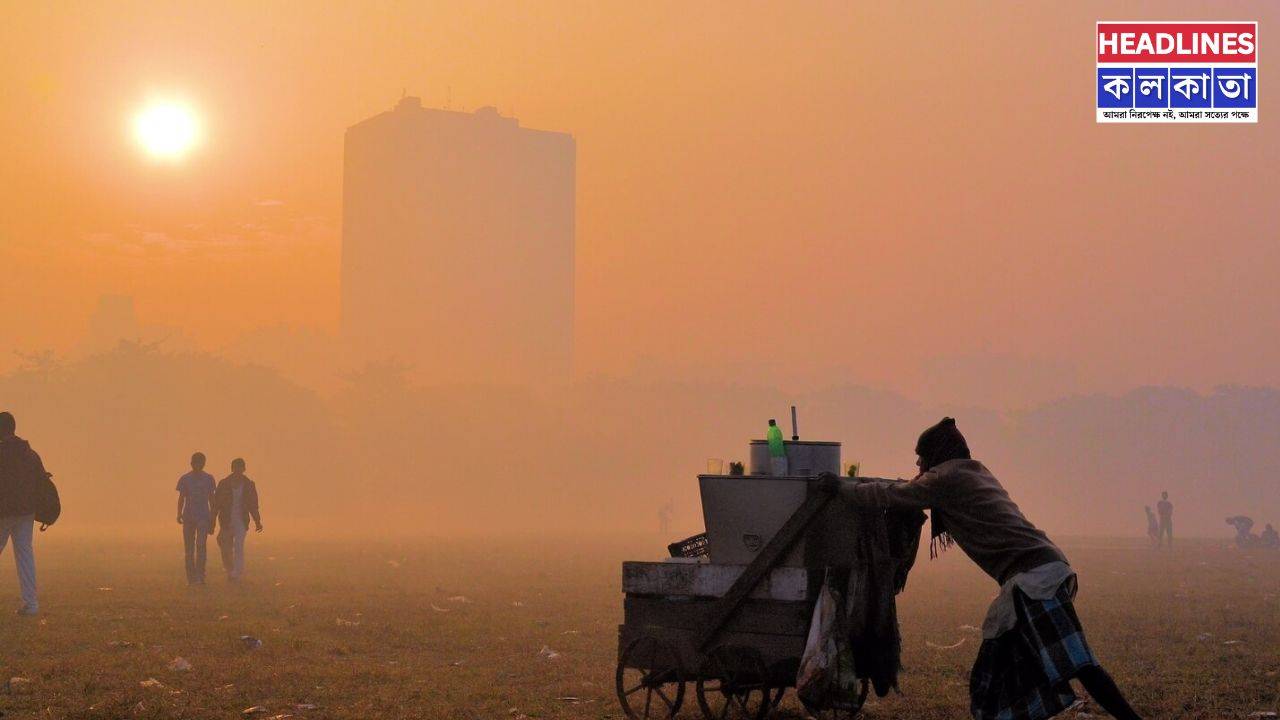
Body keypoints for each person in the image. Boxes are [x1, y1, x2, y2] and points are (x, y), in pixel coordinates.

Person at [818, 417, 1142, 720]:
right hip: (1033, 574)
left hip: (1033, 579)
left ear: (938, 455)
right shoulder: (972, 471)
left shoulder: (948, 478)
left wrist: (842, 488)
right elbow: (909, 491)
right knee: (994, 677)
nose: (918, 464)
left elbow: (896, 495)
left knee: (1077, 663)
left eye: (922, 456)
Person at [0, 412, 44, 615]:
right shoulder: (29, 453)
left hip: (4, 512)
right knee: (25, 554)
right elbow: (40, 481)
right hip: (26, 512)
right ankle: (31, 604)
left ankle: (31, 604)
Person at [212, 458, 262, 582]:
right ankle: (230, 569)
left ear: (244, 469)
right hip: (226, 521)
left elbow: (253, 504)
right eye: (236, 468)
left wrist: (257, 521)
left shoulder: (249, 485)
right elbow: (216, 504)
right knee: (225, 546)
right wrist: (212, 521)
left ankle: (237, 573)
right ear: (232, 469)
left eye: (240, 468)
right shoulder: (223, 484)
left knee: (239, 546)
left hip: (241, 521)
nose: (238, 470)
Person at [176, 452, 216, 585]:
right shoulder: (185, 479)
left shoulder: (209, 479)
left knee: (201, 546)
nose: (198, 465)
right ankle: (191, 578)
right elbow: (182, 498)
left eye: (200, 463)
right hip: (188, 517)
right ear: (192, 463)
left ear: (203, 464)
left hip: (203, 517)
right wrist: (179, 513)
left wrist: (213, 517)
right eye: (196, 462)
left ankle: (200, 575)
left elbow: (211, 498)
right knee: (189, 549)